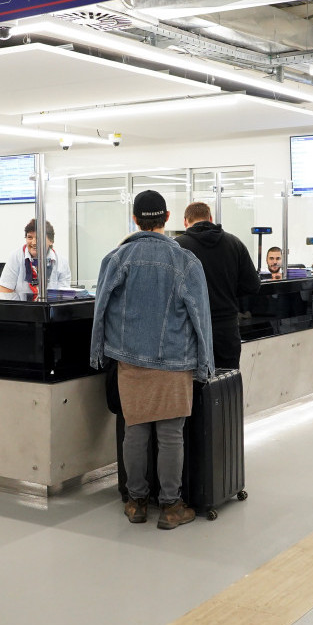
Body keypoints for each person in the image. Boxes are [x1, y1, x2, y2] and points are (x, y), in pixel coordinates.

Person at [90, 190, 214, 531]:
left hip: (130, 361)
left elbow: (100, 309)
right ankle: (171, 507)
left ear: (134, 219)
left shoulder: (116, 258)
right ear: (168, 218)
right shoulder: (186, 261)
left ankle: (136, 503)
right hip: (175, 359)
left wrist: (98, 352)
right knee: (171, 435)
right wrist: (204, 364)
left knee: (135, 431)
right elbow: (200, 316)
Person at [176, 201, 261, 369]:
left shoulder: (178, 247)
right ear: (211, 218)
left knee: (196, 381)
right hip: (226, 329)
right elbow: (252, 286)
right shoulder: (234, 243)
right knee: (227, 379)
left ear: (185, 221)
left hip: (191, 330)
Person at [0, 219, 72, 299]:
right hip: (21, 305)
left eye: (39, 238)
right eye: (30, 237)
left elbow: (63, 296)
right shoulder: (15, 257)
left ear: (51, 241)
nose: (34, 242)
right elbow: (4, 293)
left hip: (50, 305)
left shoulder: (62, 262)